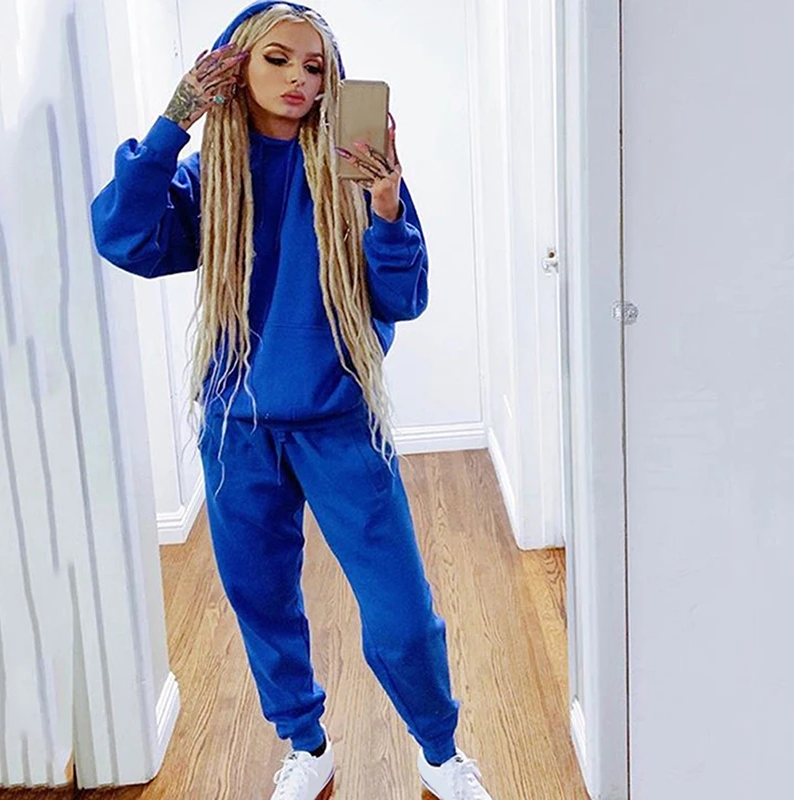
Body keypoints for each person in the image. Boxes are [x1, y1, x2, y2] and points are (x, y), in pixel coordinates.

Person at [91, 3, 494, 799]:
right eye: (278, 59)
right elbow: (126, 237)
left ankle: (440, 751)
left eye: (315, 66)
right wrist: (174, 122)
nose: (299, 79)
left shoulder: (352, 170)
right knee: (261, 597)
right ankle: (307, 746)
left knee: (401, 611)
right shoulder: (213, 178)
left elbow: (404, 298)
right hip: (237, 429)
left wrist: (387, 208)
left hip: (340, 422)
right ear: (235, 66)